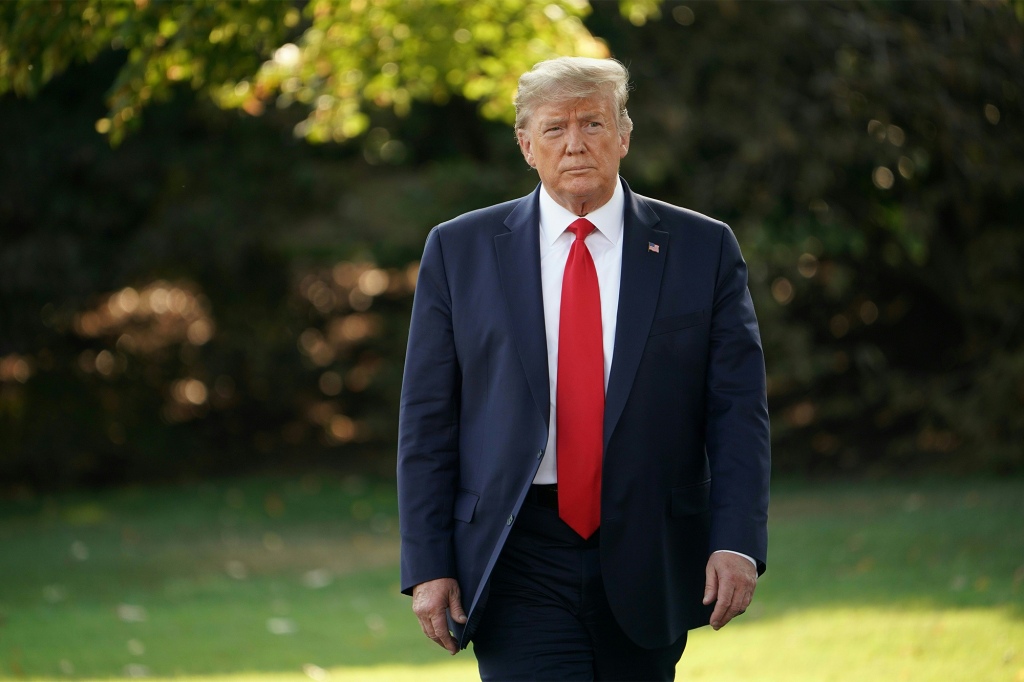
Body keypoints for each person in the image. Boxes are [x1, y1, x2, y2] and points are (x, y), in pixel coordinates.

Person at [397, 56, 770, 681]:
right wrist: (428, 562)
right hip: (515, 550)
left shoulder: (702, 248)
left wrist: (736, 542)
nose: (575, 144)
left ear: (624, 135)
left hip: (649, 546)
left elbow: (737, 411)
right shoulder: (458, 250)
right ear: (526, 145)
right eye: (555, 128)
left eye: (593, 123)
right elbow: (428, 417)